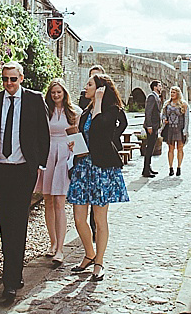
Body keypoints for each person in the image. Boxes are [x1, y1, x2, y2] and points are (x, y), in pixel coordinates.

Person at [0, 61, 50, 300]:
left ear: (21, 78)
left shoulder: (33, 99)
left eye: (13, 79)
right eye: (5, 79)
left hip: (23, 170)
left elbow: (44, 134)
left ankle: (10, 279)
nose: (9, 84)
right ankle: (12, 271)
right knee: (5, 221)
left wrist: (39, 165)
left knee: (18, 222)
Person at [66, 74, 129, 281]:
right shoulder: (85, 112)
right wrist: (75, 144)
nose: (85, 87)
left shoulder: (112, 111)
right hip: (83, 168)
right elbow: (86, 136)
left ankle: (99, 261)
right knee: (78, 218)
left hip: (102, 169)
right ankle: (89, 254)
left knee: (99, 219)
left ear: (100, 89)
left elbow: (101, 129)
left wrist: (100, 101)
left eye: (90, 84)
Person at [36, 77, 77, 265]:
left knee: (60, 200)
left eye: (59, 92)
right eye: (53, 92)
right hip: (47, 154)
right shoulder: (44, 111)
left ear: (64, 93)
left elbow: (79, 136)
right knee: (48, 200)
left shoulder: (74, 111)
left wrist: (74, 149)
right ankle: (52, 243)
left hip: (64, 155)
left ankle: (61, 248)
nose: (56, 95)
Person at [161, 86, 189, 176]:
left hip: (179, 128)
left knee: (180, 148)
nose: (172, 94)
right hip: (170, 128)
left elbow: (186, 118)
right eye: (171, 92)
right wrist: (164, 119)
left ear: (178, 93)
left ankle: (179, 167)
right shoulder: (167, 104)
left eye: (174, 92)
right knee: (170, 148)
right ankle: (170, 168)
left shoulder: (183, 104)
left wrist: (185, 130)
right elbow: (163, 115)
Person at [142, 80, 162, 177]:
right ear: (155, 87)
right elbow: (148, 112)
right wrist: (149, 126)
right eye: (159, 86)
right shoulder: (151, 97)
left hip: (155, 126)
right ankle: (146, 170)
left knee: (151, 148)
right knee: (149, 148)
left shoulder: (156, 97)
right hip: (151, 126)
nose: (160, 87)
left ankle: (148, 168)